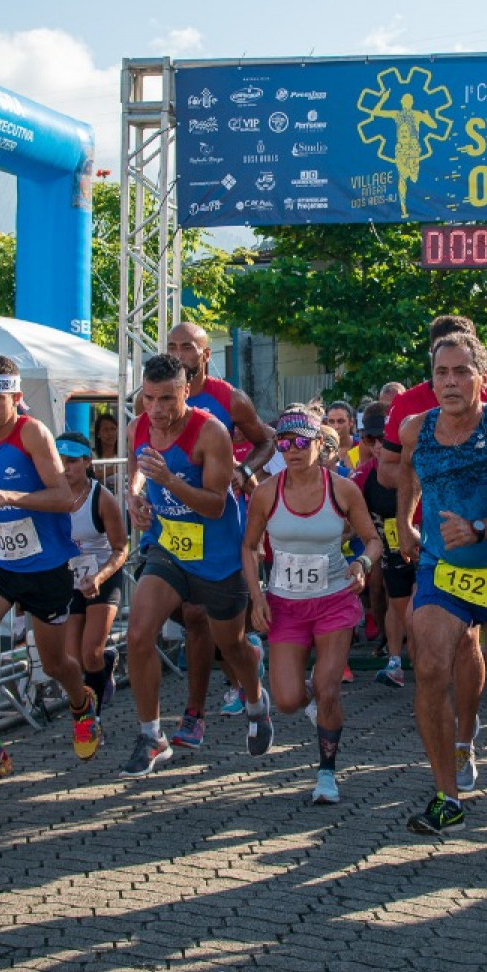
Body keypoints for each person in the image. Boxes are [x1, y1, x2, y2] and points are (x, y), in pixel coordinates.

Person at [396, 331, 487, 836]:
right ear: (431, 379)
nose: (451, 382)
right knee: (431, 666)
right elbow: (409, 475)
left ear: (481, 377)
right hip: (442, 568)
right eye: (442, 373)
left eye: (462, 372)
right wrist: (404, 522)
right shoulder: (416, 428)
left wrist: (481, 528)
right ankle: (447, 796)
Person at [0, 357, 102, 797]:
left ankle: (81, 703)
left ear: (16, 397)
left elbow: (64, 498)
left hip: (44, 566)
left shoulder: (33, 432)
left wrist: (9, 495)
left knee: (55, 664)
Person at [122, 353, 270, 778]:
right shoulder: (139, 426)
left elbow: (214, 504)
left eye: (168, 398)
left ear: (187, 390)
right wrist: (136, 498)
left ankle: (257, 703)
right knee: (138, 632)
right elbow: (136, 469)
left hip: (218, 557)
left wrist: (169, 482)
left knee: (234, 646)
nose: (159, 410)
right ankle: (152, 736)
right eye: (150, 399)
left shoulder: (211, 432)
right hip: (168, 548)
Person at [242, 407, 381, 804]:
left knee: (328, 689)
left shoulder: (342, 489)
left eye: (302, 441)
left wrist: (362, 563)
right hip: (285, 604)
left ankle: (326, 773)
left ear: (320, 445)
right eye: (284, 443)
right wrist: (257, 597)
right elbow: (250, 547)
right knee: (287, 700)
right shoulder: (267, 492)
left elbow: (373, 540)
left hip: (334, 600)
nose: (293, 450)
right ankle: (312, 704)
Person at [161, 322, 274, 746]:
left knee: (223, 623)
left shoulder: (229, 399)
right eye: (171, 347)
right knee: (192, 616)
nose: (178, 354)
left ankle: (245, 668)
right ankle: (194, 712)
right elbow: (141, 451)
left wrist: (245, 471)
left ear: (206, 354)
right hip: (174, 524)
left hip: (222, 523)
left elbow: (267, 441)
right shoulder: (154, 399)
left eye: (186, 347)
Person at [375, 315, 487, 491]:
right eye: (443, 351)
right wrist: (434, 476)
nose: (451, 378)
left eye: (461, 367)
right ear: (432, 354)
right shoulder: (405, 403)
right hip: (428, 517)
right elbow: (386, 470)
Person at [56, 431, 127, 714]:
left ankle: (91, 719)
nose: (65, 467)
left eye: (72, 461)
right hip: (68, 579)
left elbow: (121, 549)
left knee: (90, 653)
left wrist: (98, 577)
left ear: (88, 462)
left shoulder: (102, 498)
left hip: (102, 577)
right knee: (72, 660)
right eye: (60, 460)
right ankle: (102, 671)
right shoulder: (51, 496)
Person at [353, 406, 415, 689]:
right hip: (391, 548)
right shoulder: (364, 475)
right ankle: (394, 661)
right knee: (396, 603)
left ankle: (427, 665)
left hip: (423, 548)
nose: (378, 446)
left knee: (418, 607)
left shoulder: (416, 467)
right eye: (370, 440)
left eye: (383, 439)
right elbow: (349, 518)